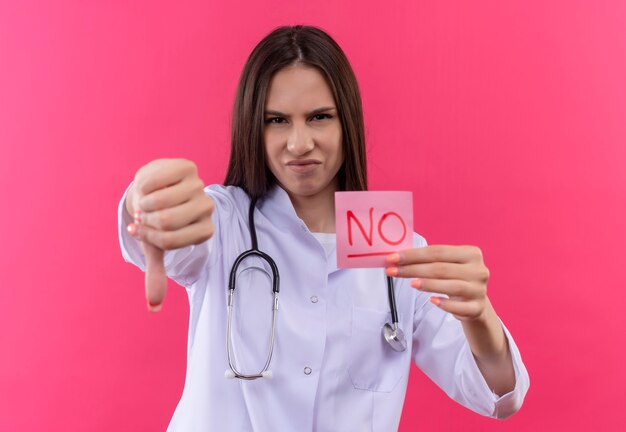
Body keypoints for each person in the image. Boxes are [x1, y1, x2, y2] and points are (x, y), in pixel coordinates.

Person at [119, 25, 529, 431]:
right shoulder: (223, 220)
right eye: (276, 120)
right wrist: (148, 205)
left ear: (346, 121)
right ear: (252, 128)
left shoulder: (394, 247)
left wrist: (479, 314)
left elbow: (497, 393)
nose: (299, 143)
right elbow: (168, 235)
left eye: (319, 117)